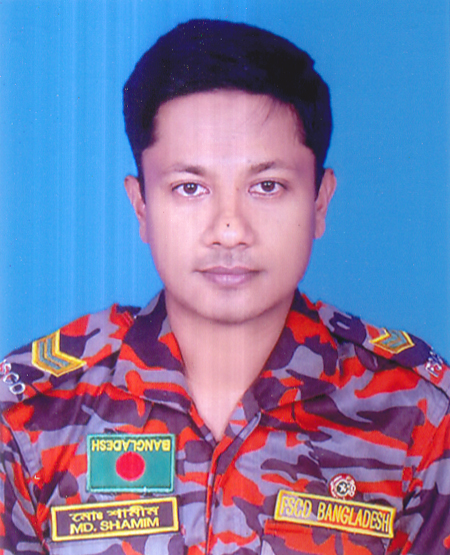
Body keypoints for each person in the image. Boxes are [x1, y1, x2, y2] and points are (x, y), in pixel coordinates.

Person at [1, 19, 449, 555]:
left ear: (319, 202)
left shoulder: (417, 417)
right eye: (190, 188)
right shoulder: (30, 418)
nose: (230, 229)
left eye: (267, 186)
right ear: (141, 206)